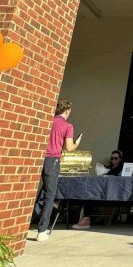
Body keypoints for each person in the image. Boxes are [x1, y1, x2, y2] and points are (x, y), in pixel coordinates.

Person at [36, 100, 81, 242]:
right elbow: (69, 147)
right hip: (52, 161)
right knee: (50, 196)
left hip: (38, 158)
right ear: (67, 111)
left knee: (34, 192)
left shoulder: (49, 121)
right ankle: (42, 231)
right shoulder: (68, 126)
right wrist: (76, 143)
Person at [72, 150, 124, 230]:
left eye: (116, 158)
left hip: (110, 194)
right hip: (101, 190)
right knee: (86, 194)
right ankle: (84, 219)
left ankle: (86, 219)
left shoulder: (121, 170)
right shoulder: (107, 168)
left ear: (120, 159)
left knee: (89, 197)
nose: (113, 160)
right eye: (112, 158)